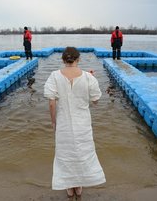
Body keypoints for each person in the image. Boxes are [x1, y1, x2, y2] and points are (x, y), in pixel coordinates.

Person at [44, 47, 106, 200]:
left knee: (65, 154)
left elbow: (52, 102)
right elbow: (96, 101)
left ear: (63, 60)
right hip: (83, 124)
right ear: (78, 60)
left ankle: (69, 188)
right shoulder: (88, 77)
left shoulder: (54, 76)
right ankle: (78, 186)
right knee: (82, 153)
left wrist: (53, 122)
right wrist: (90, 79)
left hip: (63, 123)